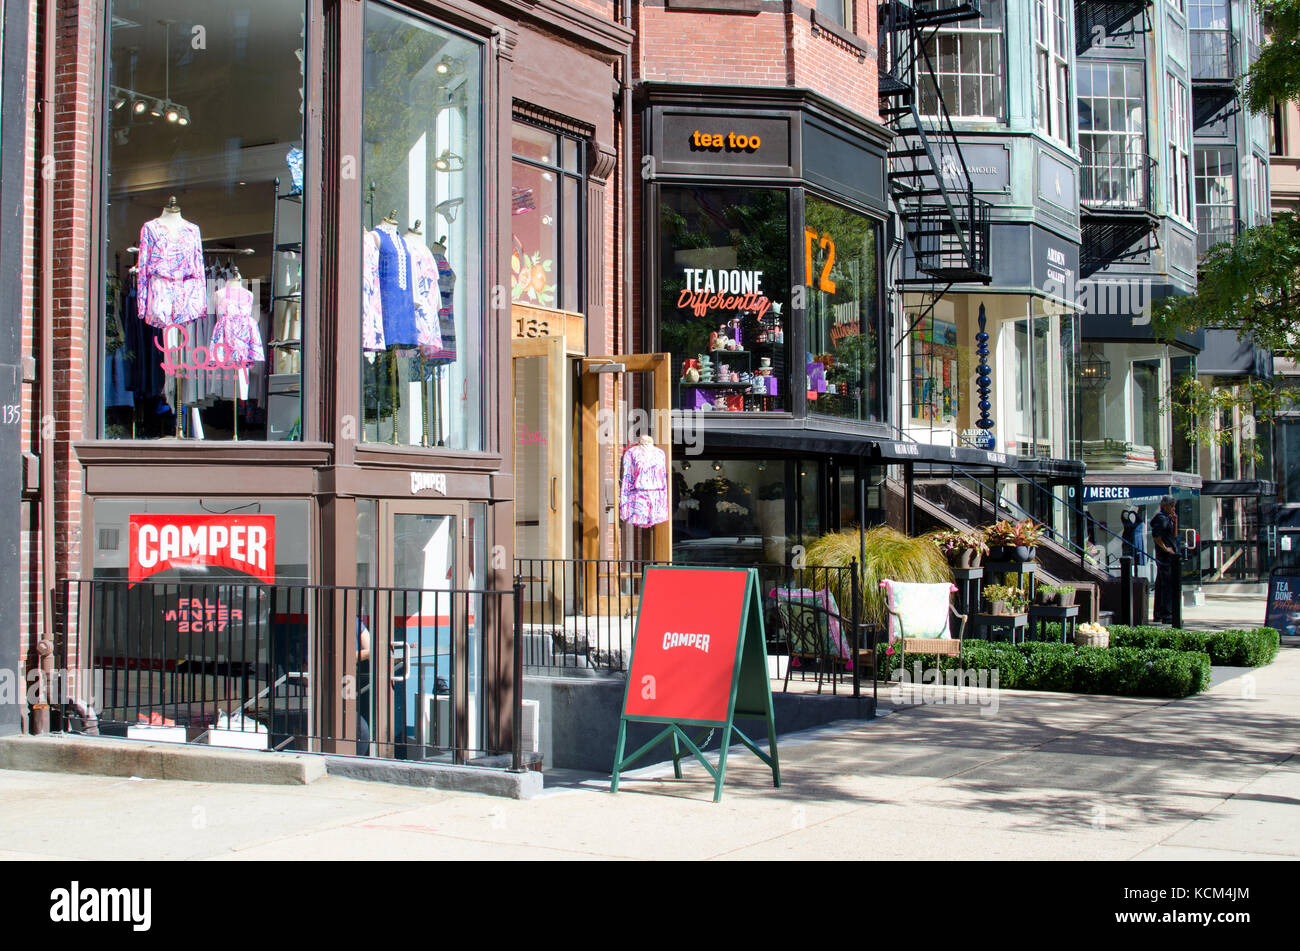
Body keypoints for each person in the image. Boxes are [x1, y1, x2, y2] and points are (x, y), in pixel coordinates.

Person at [1150, 497, 1179, 623]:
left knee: (1162, 583)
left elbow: (1174, 535)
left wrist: (1175, 522)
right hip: (1165, 556)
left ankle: (1159, 614)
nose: (1173, 509)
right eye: (1172, 506)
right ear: (1165, 506)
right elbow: (1156, 536)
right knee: (1167, 584)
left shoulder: (1168, 519)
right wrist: (1166, 549)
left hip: (1170, 555)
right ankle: (1167, 614)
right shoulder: (1161, 519)